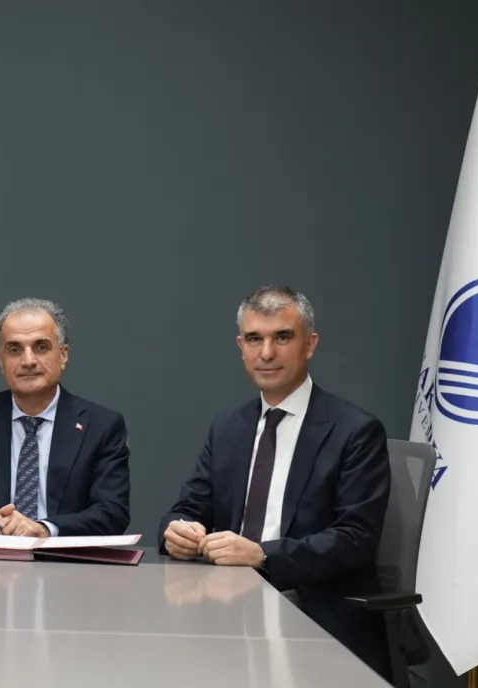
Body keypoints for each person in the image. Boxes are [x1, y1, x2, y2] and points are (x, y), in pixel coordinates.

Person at [158, 285, 391, 679]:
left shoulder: (355, 431)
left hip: (311, 611)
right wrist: (177, 530)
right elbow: (188, 507)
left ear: (310, 344)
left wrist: (264, 556)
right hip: (224, 606)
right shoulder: (228, 428)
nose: (266, 353)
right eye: (254, 339)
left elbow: (356, 538)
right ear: (241, 347)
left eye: (282, 337)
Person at [0, 298, 131, 537]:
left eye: (41, 347)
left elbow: (112, 512)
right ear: (1, 360)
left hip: (64, 557)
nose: (28, 361)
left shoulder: (101, 425)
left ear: (63, 355)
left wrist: (44, 528)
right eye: (15, 350)